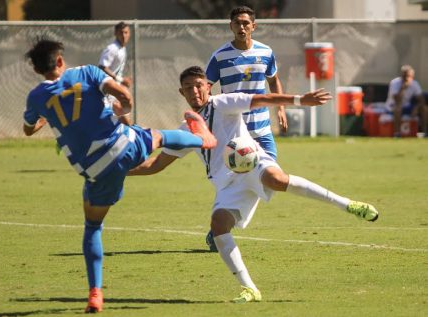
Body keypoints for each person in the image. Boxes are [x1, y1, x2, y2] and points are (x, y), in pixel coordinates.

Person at [129, 66, 379, 303]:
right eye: (188, 87)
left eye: (198, 85)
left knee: (276, 179)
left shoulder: (223, 103)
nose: (195, 91)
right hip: (227, 184)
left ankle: (347, 205)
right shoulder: (186, 130)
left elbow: (262, 99)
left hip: (252, 161)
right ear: (181, 93)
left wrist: (300, 101)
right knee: (218, 225)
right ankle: (249, 288)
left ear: (208, 86)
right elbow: (155, 165)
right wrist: (115, 171)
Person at [23, 39, 216, 313]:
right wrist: (120, 109)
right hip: (122, 145)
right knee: (158, 136)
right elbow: (125, 96)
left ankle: (95, 293)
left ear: (37, 69)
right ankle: (203, 140)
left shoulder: (36, 98)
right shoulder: (87, 73)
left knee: (92, 227)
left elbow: (28, 129)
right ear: (60, 61)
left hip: (93, 169)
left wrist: (46, 118)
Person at [204, 5, 287, 250]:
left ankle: (220, 227)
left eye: (245, 23)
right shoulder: (219, 56)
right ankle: (217, 230)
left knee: (267, 179)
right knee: (233, 183)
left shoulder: (266, 52)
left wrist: (280, 109)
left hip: (262, 130)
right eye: (237, 23)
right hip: (234, 133)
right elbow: (205, 89)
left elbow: (274, 80)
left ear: (254, 26)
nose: (242, 27)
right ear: (231, 26)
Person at [385, 65, 426, 136]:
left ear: (412, 76)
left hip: (407, 106)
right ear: (402, 75)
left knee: (425, 109)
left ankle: (425, 133)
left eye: (409, 76)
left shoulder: (415, 84)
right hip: (393, 106)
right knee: (398, 109)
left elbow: (421, 100)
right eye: (405, 76)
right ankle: (397, 133)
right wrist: (403, 88)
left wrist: (416, 108)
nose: (407, 78)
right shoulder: (394, 83)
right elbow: (397, 101)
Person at [98, 21, 132, 88]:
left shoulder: (122, 48)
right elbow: (102, 67)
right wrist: (121, 80)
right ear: (115, 33)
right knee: (128, 98)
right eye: (121, 32)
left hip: (115, 86)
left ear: (129, 34)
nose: (123, 35)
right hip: (107, 88)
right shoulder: (112, 48)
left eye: (126, 32)